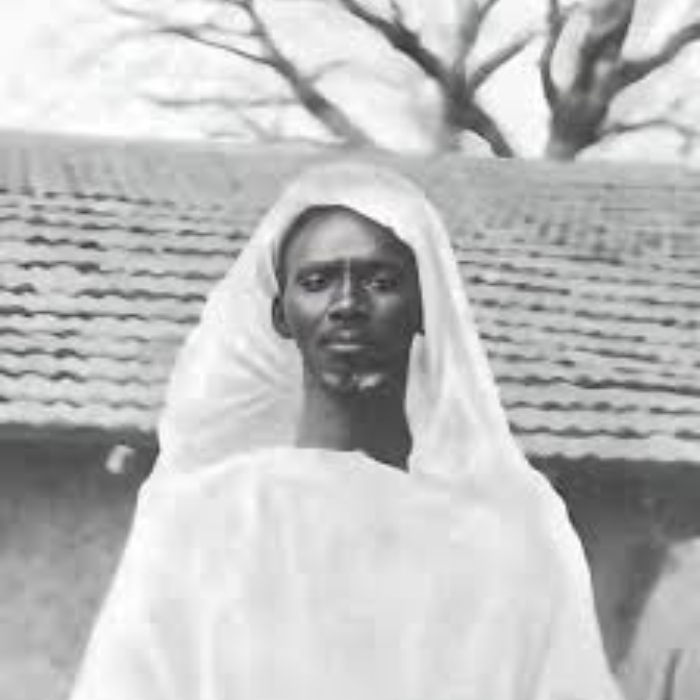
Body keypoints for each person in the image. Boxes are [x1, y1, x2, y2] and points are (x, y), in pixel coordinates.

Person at [71, 161, 623, 700]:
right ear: (281, 315)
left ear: (425, 306)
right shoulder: (199, 523)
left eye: (381, 281)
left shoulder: (508, 541)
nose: (347, 305)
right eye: (317, 281)